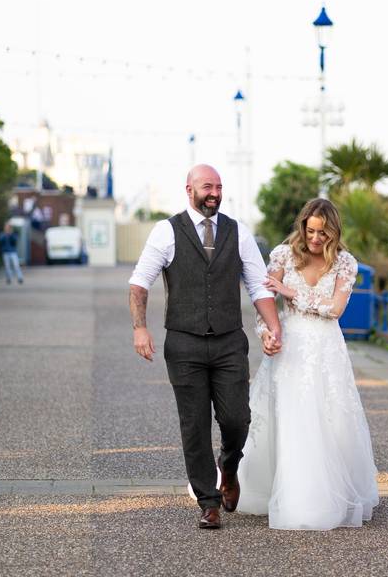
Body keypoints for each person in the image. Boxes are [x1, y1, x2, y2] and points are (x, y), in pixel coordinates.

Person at [128, 164, 282, 530]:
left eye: (219, 187)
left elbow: (259, 285)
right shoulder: (166, 231)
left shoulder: (237, 231)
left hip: (229, 341)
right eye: (206, 187)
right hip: (184, 343)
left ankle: (229, 466)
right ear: (189, 189)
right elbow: (139, 282)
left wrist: (274, 327)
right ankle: (208, 502)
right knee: (194, 425)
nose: (214, 193)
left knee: (237, 419)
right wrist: (140, 329)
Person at [236, 198, 379, 530]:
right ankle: (277, 490)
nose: (315, 239)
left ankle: (327, 496)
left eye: (322, 233)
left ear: (334, 232)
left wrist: (290, 291)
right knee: (288, 418)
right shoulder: (283, 255)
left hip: (327, 350)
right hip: (289, 345)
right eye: (310, 230)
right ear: (302, 226)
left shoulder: (345, 263)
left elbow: (336, 309)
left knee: (332, 422)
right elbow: (264, 300)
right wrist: (266, 333)